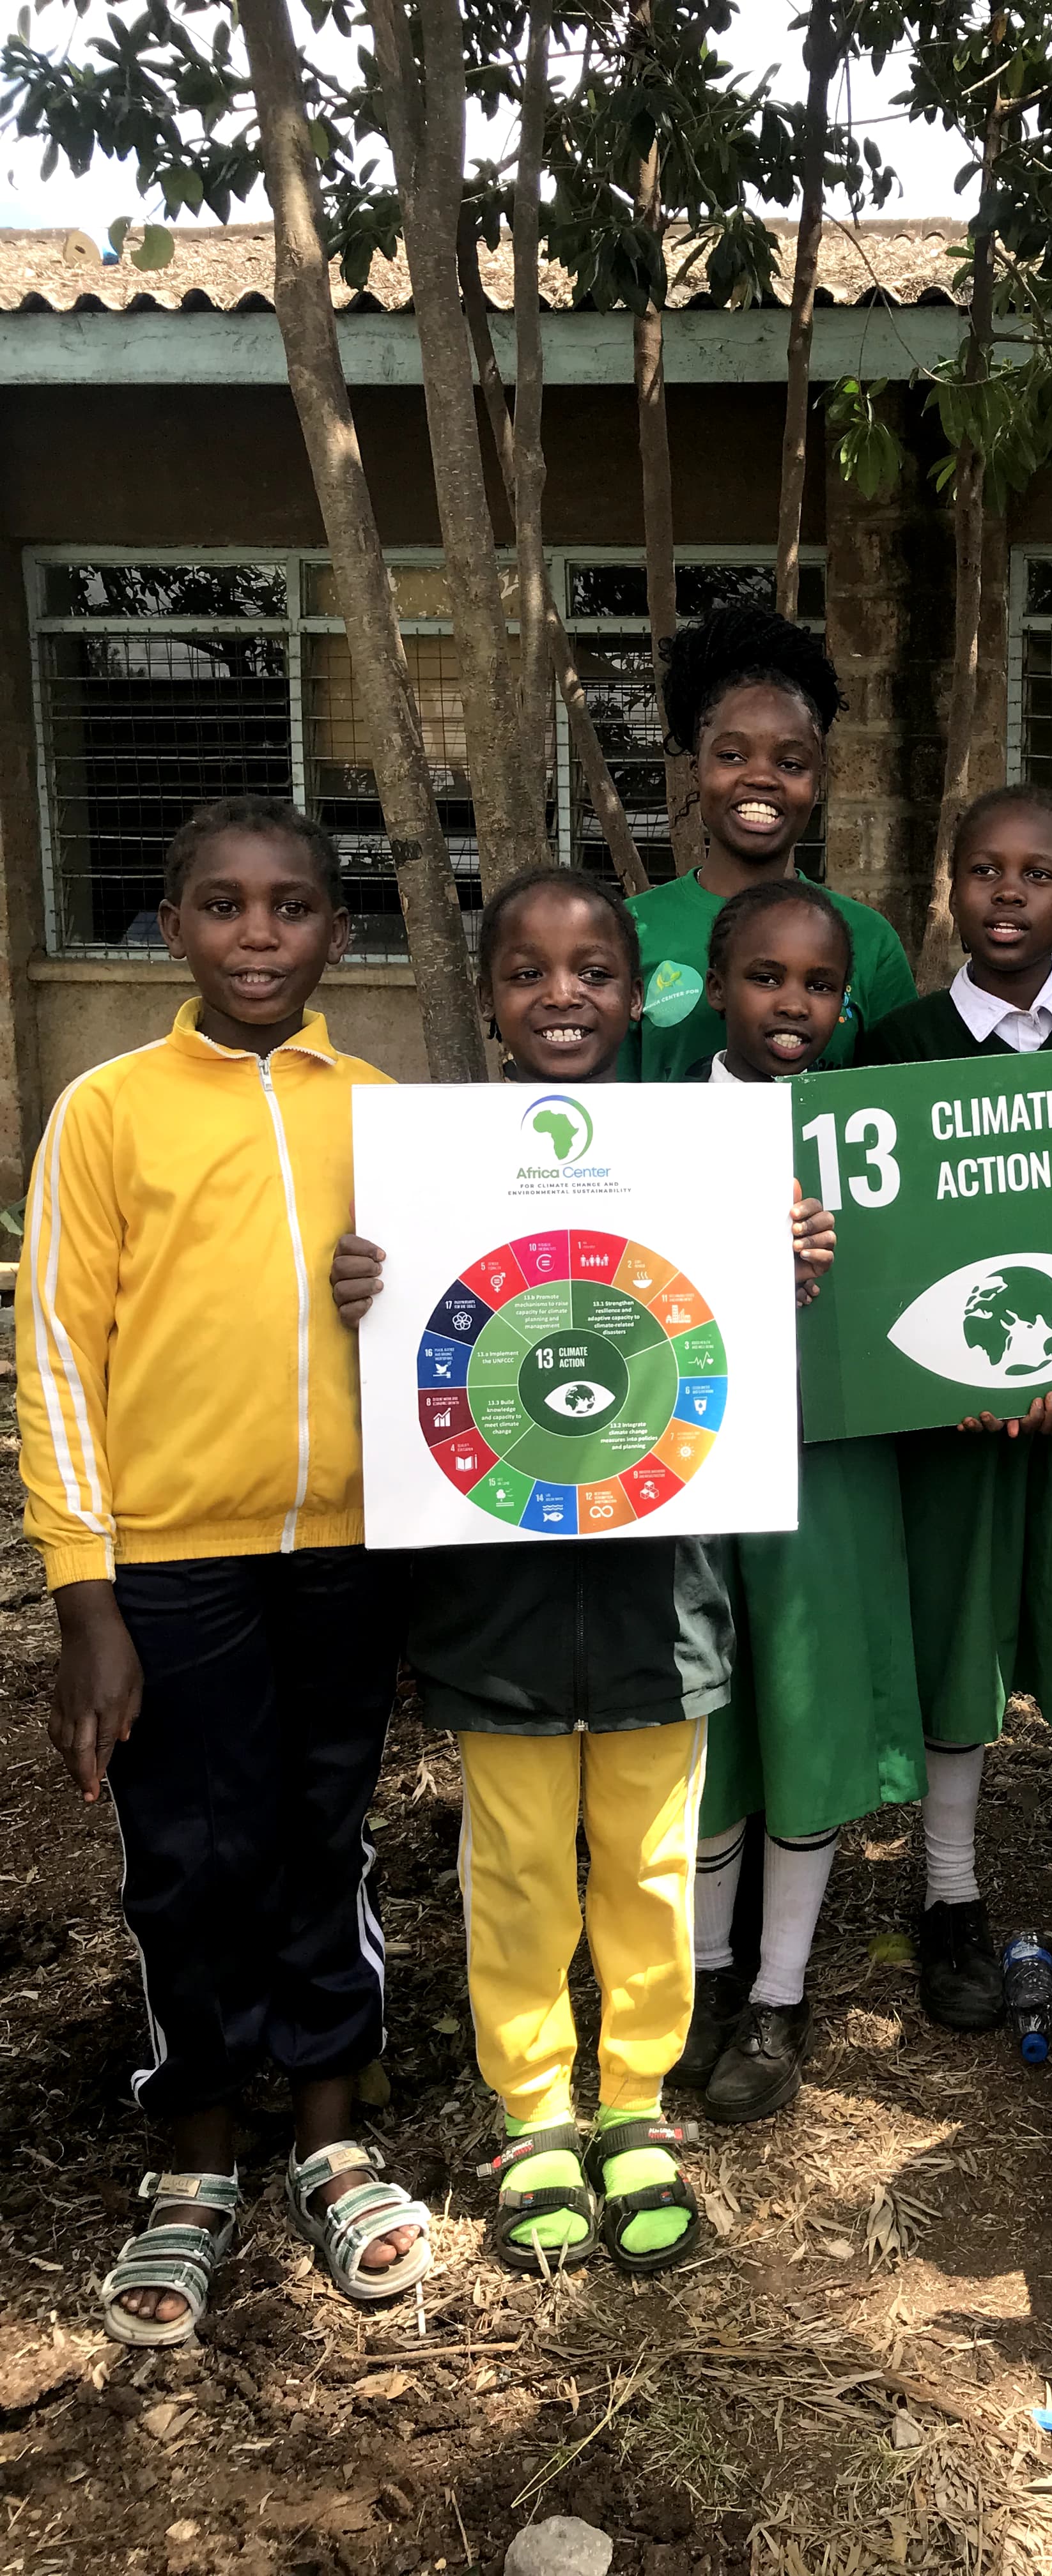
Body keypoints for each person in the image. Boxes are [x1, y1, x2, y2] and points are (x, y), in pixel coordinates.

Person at [332, 866, 833, 2273]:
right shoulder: (430, 1170)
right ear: (488, 996)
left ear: (641, 993)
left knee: (650, 1865)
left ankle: (634, 2103)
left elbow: (717, 1354)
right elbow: (416, 1354)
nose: (563, 996)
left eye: (594, 971)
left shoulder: (703, 1160)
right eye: (528, 972)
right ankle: (535, 2112)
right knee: (515, 1872)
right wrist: (368, 1293)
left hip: (658, 1600)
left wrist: (780, 1269)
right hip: (492, 1608)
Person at [18, 795, 431, 2347]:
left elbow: (448, 1326)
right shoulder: (108, 1112)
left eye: (293, 907)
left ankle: (329, 2130)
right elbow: (57, 1355)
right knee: (192, 1855)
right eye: (224, 905)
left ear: (339, 930)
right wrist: (84, 1593)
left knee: (326, 1833)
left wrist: (399, 1287)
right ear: (173, 923)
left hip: (347, 1552)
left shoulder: (382, 1114)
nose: (260, 936)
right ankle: (193, 2152)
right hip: (171, 1565)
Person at [863, 783, 1052, 2037]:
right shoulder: (899, 1045)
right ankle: (948, 1898)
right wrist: (932, 1379)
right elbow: (879, 1249)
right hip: (952, 1430)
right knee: (957, 1653)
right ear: (952, 889)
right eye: (984, 869)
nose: (1007, 892)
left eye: (1036, 874)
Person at [675, 879, 926, 2120]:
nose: (792, 1002)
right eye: (766, 976)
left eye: (820, 984)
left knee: (810, 1716)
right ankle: (700, 1978)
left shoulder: (875, 1135)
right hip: (694, 1464)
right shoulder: (658, 1129)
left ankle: (778, 1994)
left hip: (828, 1460)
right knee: (707, 1724)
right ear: (720, 982)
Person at [623, 603, 915, 1081]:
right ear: (696, 768)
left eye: (791, 764)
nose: (761, 778)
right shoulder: (630, 932)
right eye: (732, 756)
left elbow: (900, 1103)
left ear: (818, 782)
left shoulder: (869, 940)